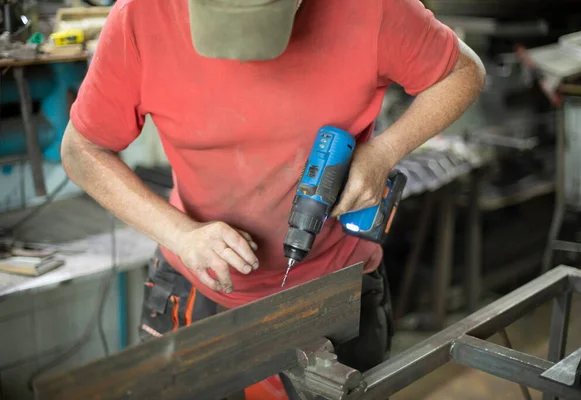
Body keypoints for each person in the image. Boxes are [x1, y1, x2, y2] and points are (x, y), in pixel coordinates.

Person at [61, 0, 485, 393]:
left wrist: (384, 153)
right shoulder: (141, 16)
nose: (243, 57)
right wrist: (180, 234)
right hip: (197, 294)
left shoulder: (369, 7)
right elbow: (81, 150)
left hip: (335, 291)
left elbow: (464, 71)